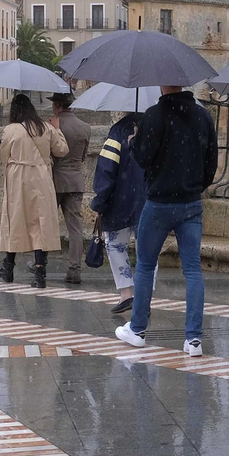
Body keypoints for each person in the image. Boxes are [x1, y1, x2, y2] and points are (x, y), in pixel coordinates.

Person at [114, 84, 218, 358]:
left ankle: (137, 330)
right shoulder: (203, 116)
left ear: (162, 84)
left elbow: (144, 159)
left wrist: (134, 141)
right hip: (191, 203)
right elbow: (211, 165)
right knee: (193, 270)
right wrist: (193, 186)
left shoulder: (154, 115)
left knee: (146, 266)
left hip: (159, 203)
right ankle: (193, 340)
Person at [0, 93, 69, 288]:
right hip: (41, 177)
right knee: (40, 222)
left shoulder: (10, 130)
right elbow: (62, 150)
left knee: (15, 220)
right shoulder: (46, 128)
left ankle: (8, 267)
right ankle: (40, 271)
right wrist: (58, 130)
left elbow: (3, 156)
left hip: (18, 177)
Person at [90, 110, 146, 315]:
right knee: (147, 252)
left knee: (115, 245)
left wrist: (100, 202)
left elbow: (107, 169)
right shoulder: (155, 129)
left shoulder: (117, 133)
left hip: (119, 204)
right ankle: (144, 297)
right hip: (148, 202)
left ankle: (126, 294)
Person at [48, 92, 90, 285]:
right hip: (75, 181)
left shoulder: (50, 126)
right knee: (75, 228)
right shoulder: (84, 127)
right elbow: (82, 157)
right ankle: (75, 269)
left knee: (47, 225)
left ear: (57, 106)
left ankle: (41, 264)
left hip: (55, 181)